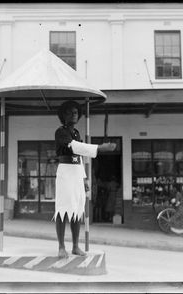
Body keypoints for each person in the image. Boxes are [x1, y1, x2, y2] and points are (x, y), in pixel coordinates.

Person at [54, 100, 116, 258]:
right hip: (65, 172)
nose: (73, 114)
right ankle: (61, 246)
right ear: (63, 115)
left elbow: (79, 157)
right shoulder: (60, 132)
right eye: (69, 112)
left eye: (76, 112)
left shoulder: (76, 133)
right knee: (62, 210)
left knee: (77, 209)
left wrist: (84, 178)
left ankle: (75, 246)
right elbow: (74, 147)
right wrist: (99, 148)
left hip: (76, 172)